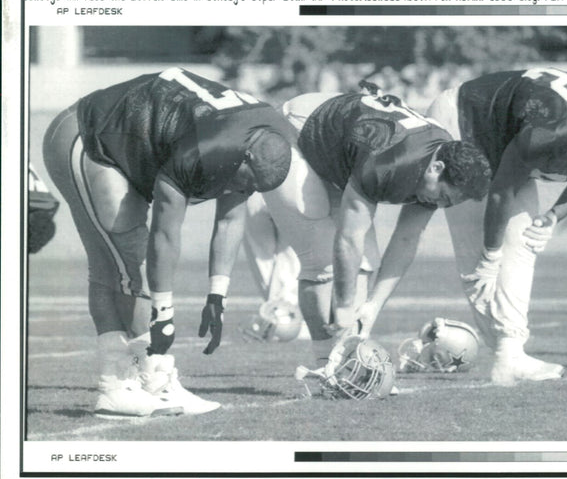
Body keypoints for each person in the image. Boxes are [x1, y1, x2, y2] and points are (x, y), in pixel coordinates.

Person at [42, 67, 294, 418]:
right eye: (243, 179)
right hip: (88, 138)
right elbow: (164, 233)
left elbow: (230, 218)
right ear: (244, 154)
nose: (240, 188)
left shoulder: (267, 139)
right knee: (130, 265)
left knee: (111, 266)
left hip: (128, 139)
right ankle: (141, 380)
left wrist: (217, 295)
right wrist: (164, 311)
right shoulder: (204, 148)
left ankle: (134, 382)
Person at [416, 67, 567, 386]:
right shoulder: (550, 130)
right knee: (477, 254)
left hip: (503, 133)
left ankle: (510, 353)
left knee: (524, 239)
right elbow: (501, 193)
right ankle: (507, 354)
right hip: (463, 121)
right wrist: (491, 256)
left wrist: (555, 215)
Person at [251, 82, 491, 369]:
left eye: (448, 203)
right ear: (436, 168)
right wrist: (343, 308)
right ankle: (326, 362)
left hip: (341, 147)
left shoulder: (435, 164)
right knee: (321, 261)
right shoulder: (391, 162)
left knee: (365, 262)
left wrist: (372, 307)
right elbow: (349, 238)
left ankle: (348, 362)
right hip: (295, 131)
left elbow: (406, 239)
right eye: (442, 196)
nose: (439, 204)